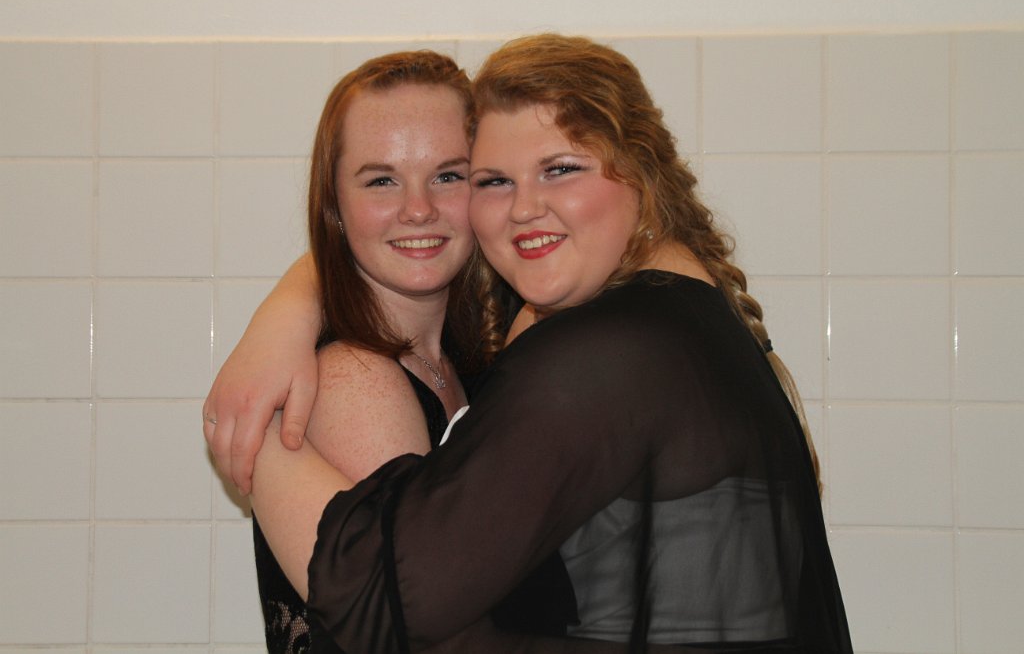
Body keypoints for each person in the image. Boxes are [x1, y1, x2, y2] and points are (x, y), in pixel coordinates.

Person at [208, 34, 852, 652]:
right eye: (496, 180)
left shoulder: (597, 353)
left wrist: (254, 434)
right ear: (334, 206)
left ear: (641, 173)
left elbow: (391, 601)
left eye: (452, 176)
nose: (522, 208)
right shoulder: (676, 320)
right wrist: (297, 296)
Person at [224, 50, 483, 653]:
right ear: (335, 205)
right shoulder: (356, 379)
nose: (418, 208)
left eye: (449, 176)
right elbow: (426, 626)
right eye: (381, 180)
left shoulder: (461, 360)